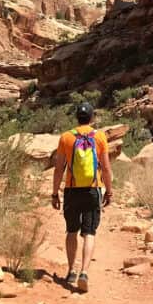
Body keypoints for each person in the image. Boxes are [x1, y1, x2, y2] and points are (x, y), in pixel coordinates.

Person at [51, 102, 113, 292]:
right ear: (92, 118)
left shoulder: (66, 137)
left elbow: (59, 169)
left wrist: (54, 192)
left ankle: (71, 270)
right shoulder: (100, 137)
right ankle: (84, 272)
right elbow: (106, 168)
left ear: (77, 117)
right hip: (92, 189)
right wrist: (109, 191)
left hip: (72, 190)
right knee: (89, 233)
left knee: (71, 231)